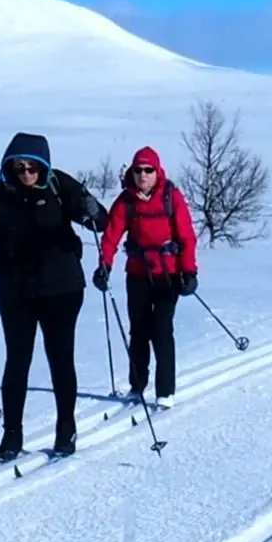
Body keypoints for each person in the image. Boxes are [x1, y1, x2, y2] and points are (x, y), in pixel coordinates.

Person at [0, 132, 108, 461]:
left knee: (60, 359)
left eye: (32, 168)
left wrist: (92, 210)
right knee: (17, 361)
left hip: (62, 288)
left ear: (44, 167)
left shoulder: (61, 186)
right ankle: (12, 435)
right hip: (16, 290)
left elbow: (102, 223)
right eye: (19, 168)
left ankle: (66, 429)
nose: (26, 174)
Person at [93, 146, 197, 410]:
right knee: (138, 331)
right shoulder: (127, 200)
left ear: (157, 171)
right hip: (138, 274)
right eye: (138, 170)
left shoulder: (171, 197)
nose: (143, 175)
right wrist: (104, 265)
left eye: (148, 170)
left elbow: (186, 236)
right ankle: (137, 386)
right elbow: (111, 235)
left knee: (161, 330)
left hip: (168, 275)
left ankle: (165, 391)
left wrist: (189, 271)